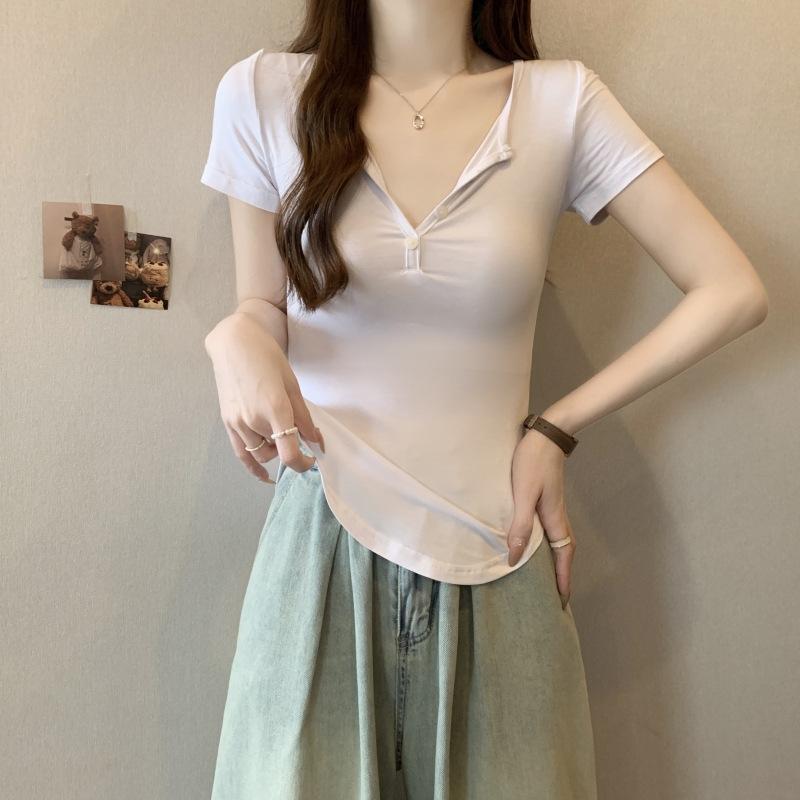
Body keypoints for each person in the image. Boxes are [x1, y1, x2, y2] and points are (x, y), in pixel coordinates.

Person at [199, 2, 769, 798]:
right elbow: (262, 304)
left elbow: (732, 289)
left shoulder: (561, 104)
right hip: (321, 547)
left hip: (501, 548)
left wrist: (556, 429)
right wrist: (233, 336)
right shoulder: (264, 93)